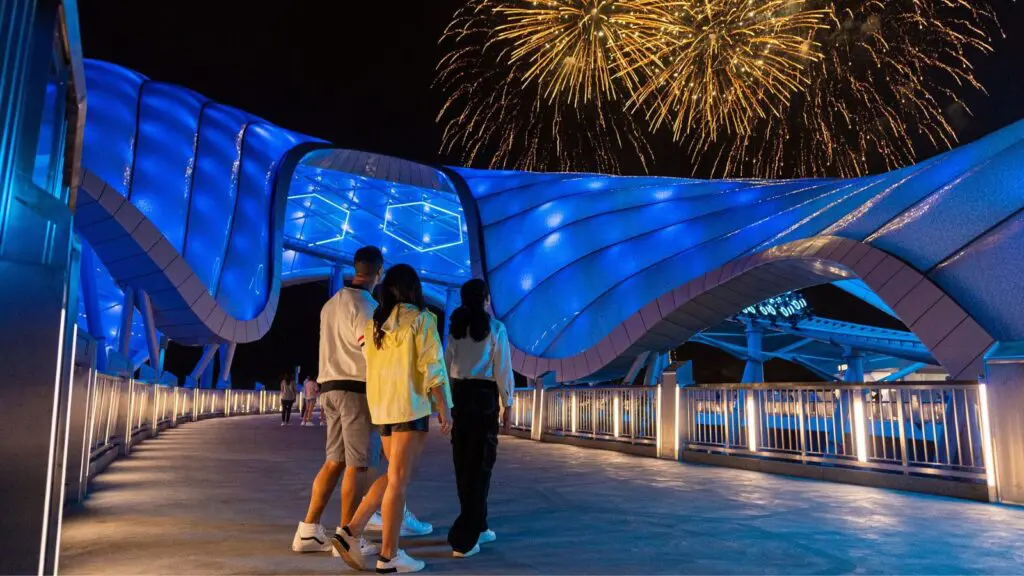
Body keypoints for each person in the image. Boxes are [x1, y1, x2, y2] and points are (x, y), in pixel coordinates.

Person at [333, 264, 452, 574]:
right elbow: (433, 366)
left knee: (394, 476)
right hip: (410, 407)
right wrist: (444, 407)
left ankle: (352, 531)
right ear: (413, 289)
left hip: (383, 410)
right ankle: (388, 555)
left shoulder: (375, 326)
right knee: (398, 480)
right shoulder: (422, 320)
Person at [291, 246, 384, 555]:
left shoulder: (330, 305)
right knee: (358, 466)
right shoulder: (367, 306)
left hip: (328, 389)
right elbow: (369, 349)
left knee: (334, 461)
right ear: (378, 273)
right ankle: (347, 537)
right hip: (355, 391)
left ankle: (308, 531)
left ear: (355, 268)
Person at [444, 279, 514, 558]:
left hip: (460, 396)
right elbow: (503, 369)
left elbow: (446, 367)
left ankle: (480, 524)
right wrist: (507, 403)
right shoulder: (495, 328)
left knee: (463, 463)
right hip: (485, 399)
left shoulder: (455, 329)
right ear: (485, 299)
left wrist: (447, 404)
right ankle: (466, 539)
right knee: (481, 465)